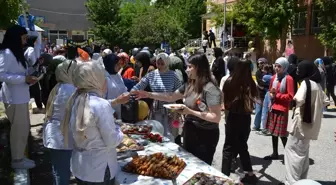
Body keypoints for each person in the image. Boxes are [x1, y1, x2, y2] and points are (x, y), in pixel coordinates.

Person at [133, 53, 221, 165]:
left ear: (199, 68)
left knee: (201, 166)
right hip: (190, 130)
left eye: (190, 67)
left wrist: (190, 112)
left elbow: (216, 117)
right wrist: (148, 94)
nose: (186, 70)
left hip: (205, 135)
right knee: (188, 164)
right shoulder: (189, 85)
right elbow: (171, 97)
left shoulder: (211, 89)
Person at [61, 62, 123, 184]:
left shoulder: (75, 99)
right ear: (95, 80)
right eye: (103, 78)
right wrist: (119, 130)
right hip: (99, 169)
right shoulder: (100, 104)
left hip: (81, 166)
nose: (105, 81)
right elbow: (112, 140)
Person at [280, 61, 329, 185]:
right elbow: (326, 101)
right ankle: (302, 180)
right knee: (303, 154)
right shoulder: (317, 85)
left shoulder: (305, 84)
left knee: (292, 153)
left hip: (300, 125)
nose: (298, 72)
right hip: (311, 126)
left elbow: (298, 99)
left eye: (300, 70)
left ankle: (292, 181)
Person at [0, 25, 38, 169]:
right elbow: (1, 75)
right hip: (13, 98)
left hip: (21, 96)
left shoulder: (16, 52)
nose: (24, 42)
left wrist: (33, 71)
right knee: (18, 130)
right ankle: (17, 160)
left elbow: (20, 71)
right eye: (23, 38)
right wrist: (24, 79)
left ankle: (20, 156)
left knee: (23, 128)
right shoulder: (6, 53)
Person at [221, 58, 258, 184]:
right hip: (245, 118)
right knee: (242, 145)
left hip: (233, 116)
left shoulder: (230, 82)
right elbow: (256, 101)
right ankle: (250, 174)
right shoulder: (251, 83)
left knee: (228, 147)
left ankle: (224, 177)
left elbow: (225, 103)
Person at [132, 53, 182, 141]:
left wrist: (180, 107)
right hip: (156, 106)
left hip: (170, 107)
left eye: (162, 64)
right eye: (158, 64)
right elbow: (140, 85)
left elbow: (180, 91)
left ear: (167, 63)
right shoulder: (152, 75)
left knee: (169, 131)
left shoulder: (173, 75)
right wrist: (131, 92)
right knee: (156, 130)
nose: (159, 66)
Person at [43, 60, 77, 185]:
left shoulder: (60, 86)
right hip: (62, 136)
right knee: (62, 173)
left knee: (58, 170)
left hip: (57, 134)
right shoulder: (70, 89)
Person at [264, 57, 295, 160]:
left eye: (279, 66)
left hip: (282, 109)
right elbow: (270, 91)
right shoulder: (273, 77)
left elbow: (290, 96)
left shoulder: (289, 79)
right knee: (273, 132)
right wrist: (271, 95)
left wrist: (276, 96)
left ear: (285, 67)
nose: (276, 68)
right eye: (276, 65)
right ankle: (275, 153)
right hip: (273, 107)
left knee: (281, 134)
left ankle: (288, 156)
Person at [103, 54, 129, 119]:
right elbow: (101, 99)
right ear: (110, 64)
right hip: (108, 113)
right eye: (117, 64)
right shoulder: (103, 78)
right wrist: (112, 111)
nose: (120, 66)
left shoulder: (118, 76)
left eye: (120, 64)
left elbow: (124, 90)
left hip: (121, 112)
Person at [253, 58, 268, 131]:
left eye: (262, 63)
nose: (260, 64)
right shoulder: (258, 73)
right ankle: (256, 126)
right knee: (258, 111)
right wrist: (266, 84)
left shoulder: (269, 72)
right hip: (259, 94)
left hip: (267, 94)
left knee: (266, 112)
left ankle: (264, 127)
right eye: (259, 63)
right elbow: (260, 83)